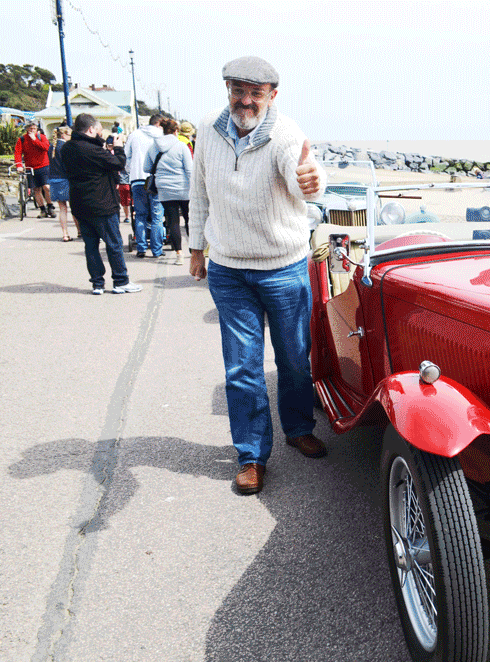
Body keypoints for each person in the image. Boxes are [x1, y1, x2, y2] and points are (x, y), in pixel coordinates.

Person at [189, 55, 327, 495]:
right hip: (229, 271)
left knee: (292, 358)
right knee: (242, 369)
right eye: (237, 90)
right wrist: (196, 248)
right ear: (227, 88)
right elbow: (199, 192)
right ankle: (251, 455)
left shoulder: (287, 135)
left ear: (273, 95)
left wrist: (311, 181)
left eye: (256, 92)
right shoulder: (208, 128)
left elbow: (305, 174)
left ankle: (299, 426)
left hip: (282, 267)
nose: (245, 100)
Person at [61, 113, 142, 295]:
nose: (100, 135)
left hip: (80, 203)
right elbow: (118, 163)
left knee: (91, 246)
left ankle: (97, 283)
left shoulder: (67, 148)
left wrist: (103, 146)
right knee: (113, 244)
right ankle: (121, 280)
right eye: (98, 131)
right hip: (102, 203)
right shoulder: (92, 150)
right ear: (91, 129)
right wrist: (119, 147)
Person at [145, 118, 191, 265]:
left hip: (164, 188)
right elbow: (190, 170)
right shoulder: (181, 146)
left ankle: (179, 255)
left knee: (173, 222)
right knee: (190, 220)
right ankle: (194, 251)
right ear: (176, 131)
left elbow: (146, 168)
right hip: (184, 188)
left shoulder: (154, 147)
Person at [124, 113, 165, 258]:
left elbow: (126, 156)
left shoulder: (134, 135)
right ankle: (157, 250)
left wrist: (131, 170)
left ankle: (141, 247)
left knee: (140, 215)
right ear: (159, 124)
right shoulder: (162, 135)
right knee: (157, 216)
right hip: (155, 179)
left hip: (137, 179)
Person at [13, 122, 55, 218]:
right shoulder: (22, 139)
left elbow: (46, 148)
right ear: (27, 129)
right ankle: (42, 209)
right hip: (31, 167)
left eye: (34, 128)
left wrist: (35, 140)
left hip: (44, 165)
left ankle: (50, 206)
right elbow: (18, 153)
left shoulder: (42, 137)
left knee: (46, 187)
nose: (32, 130)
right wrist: (19, 165)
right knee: (36, 189)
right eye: (30, 128)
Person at [47, 126, 80, 241]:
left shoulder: (52, 147)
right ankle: (79, 230)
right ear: (64, 135)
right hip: (65, 179)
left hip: (53, 179)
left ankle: (65, 233)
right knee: (74, 207)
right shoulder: (66, 147)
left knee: (62, 208)